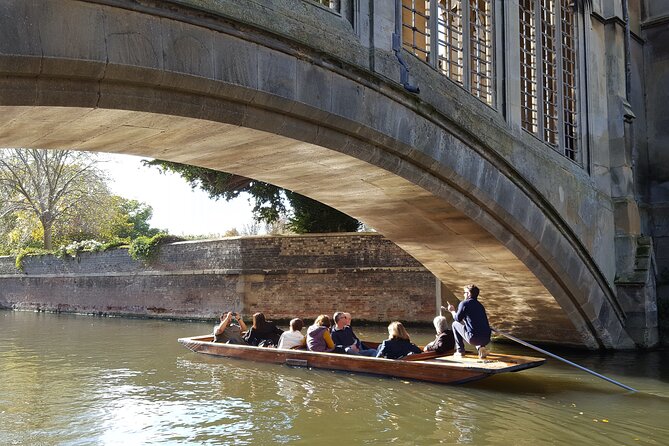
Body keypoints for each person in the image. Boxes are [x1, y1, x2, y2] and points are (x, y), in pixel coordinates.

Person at [446, 284, 491, 359]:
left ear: (469, 294)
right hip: (486, 339)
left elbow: (457, 319)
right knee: (476, 326)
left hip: (473, 339)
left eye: (464, 292)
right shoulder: (480, 306)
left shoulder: (464, 303)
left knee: (454, 324)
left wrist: (452, 311)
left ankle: (460, 351)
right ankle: (481, 348)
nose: (463, 294)